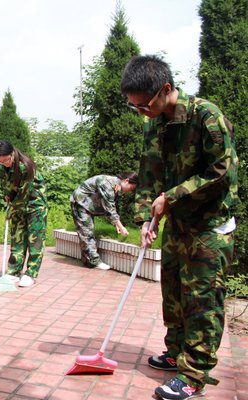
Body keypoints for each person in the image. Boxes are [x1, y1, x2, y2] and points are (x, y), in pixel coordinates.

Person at [121, 55, 238, 400]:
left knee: (202, 302)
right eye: (135, 107)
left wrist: (170, 197)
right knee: (172, 293)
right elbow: (148, 173)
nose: (141, 112)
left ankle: (194, 375)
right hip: (177, 224)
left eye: (144, 106)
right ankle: (176, 353)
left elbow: (220, 172)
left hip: (209, 226)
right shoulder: (153, 123)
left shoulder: (207, 116)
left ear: (166, 90)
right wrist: (145, 218)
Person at [0, 140, 48, 287]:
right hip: (17, 203)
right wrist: (7, 196)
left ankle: (31, 273)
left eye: (7, 160)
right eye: (0, 161)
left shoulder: (25, 166)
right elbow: (6, 186)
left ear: (12, 154)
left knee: (35, 240)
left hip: (34, 204)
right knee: (17, 238)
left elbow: (24, 194)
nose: (4, 163)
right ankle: (14, 271)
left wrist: (11, 210)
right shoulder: (0, 167)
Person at [70, 173, 138, 270]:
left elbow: (110, 208)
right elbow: (110, 208)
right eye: (131, 188)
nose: (130, 192)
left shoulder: (116, 186)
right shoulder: (107, 183)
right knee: (87, 232)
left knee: (87, 231)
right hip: (80, 203)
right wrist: (122, 227)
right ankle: (94, 261)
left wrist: (117, 225)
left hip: (87, 205)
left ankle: (87, 261)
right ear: (126, 181)